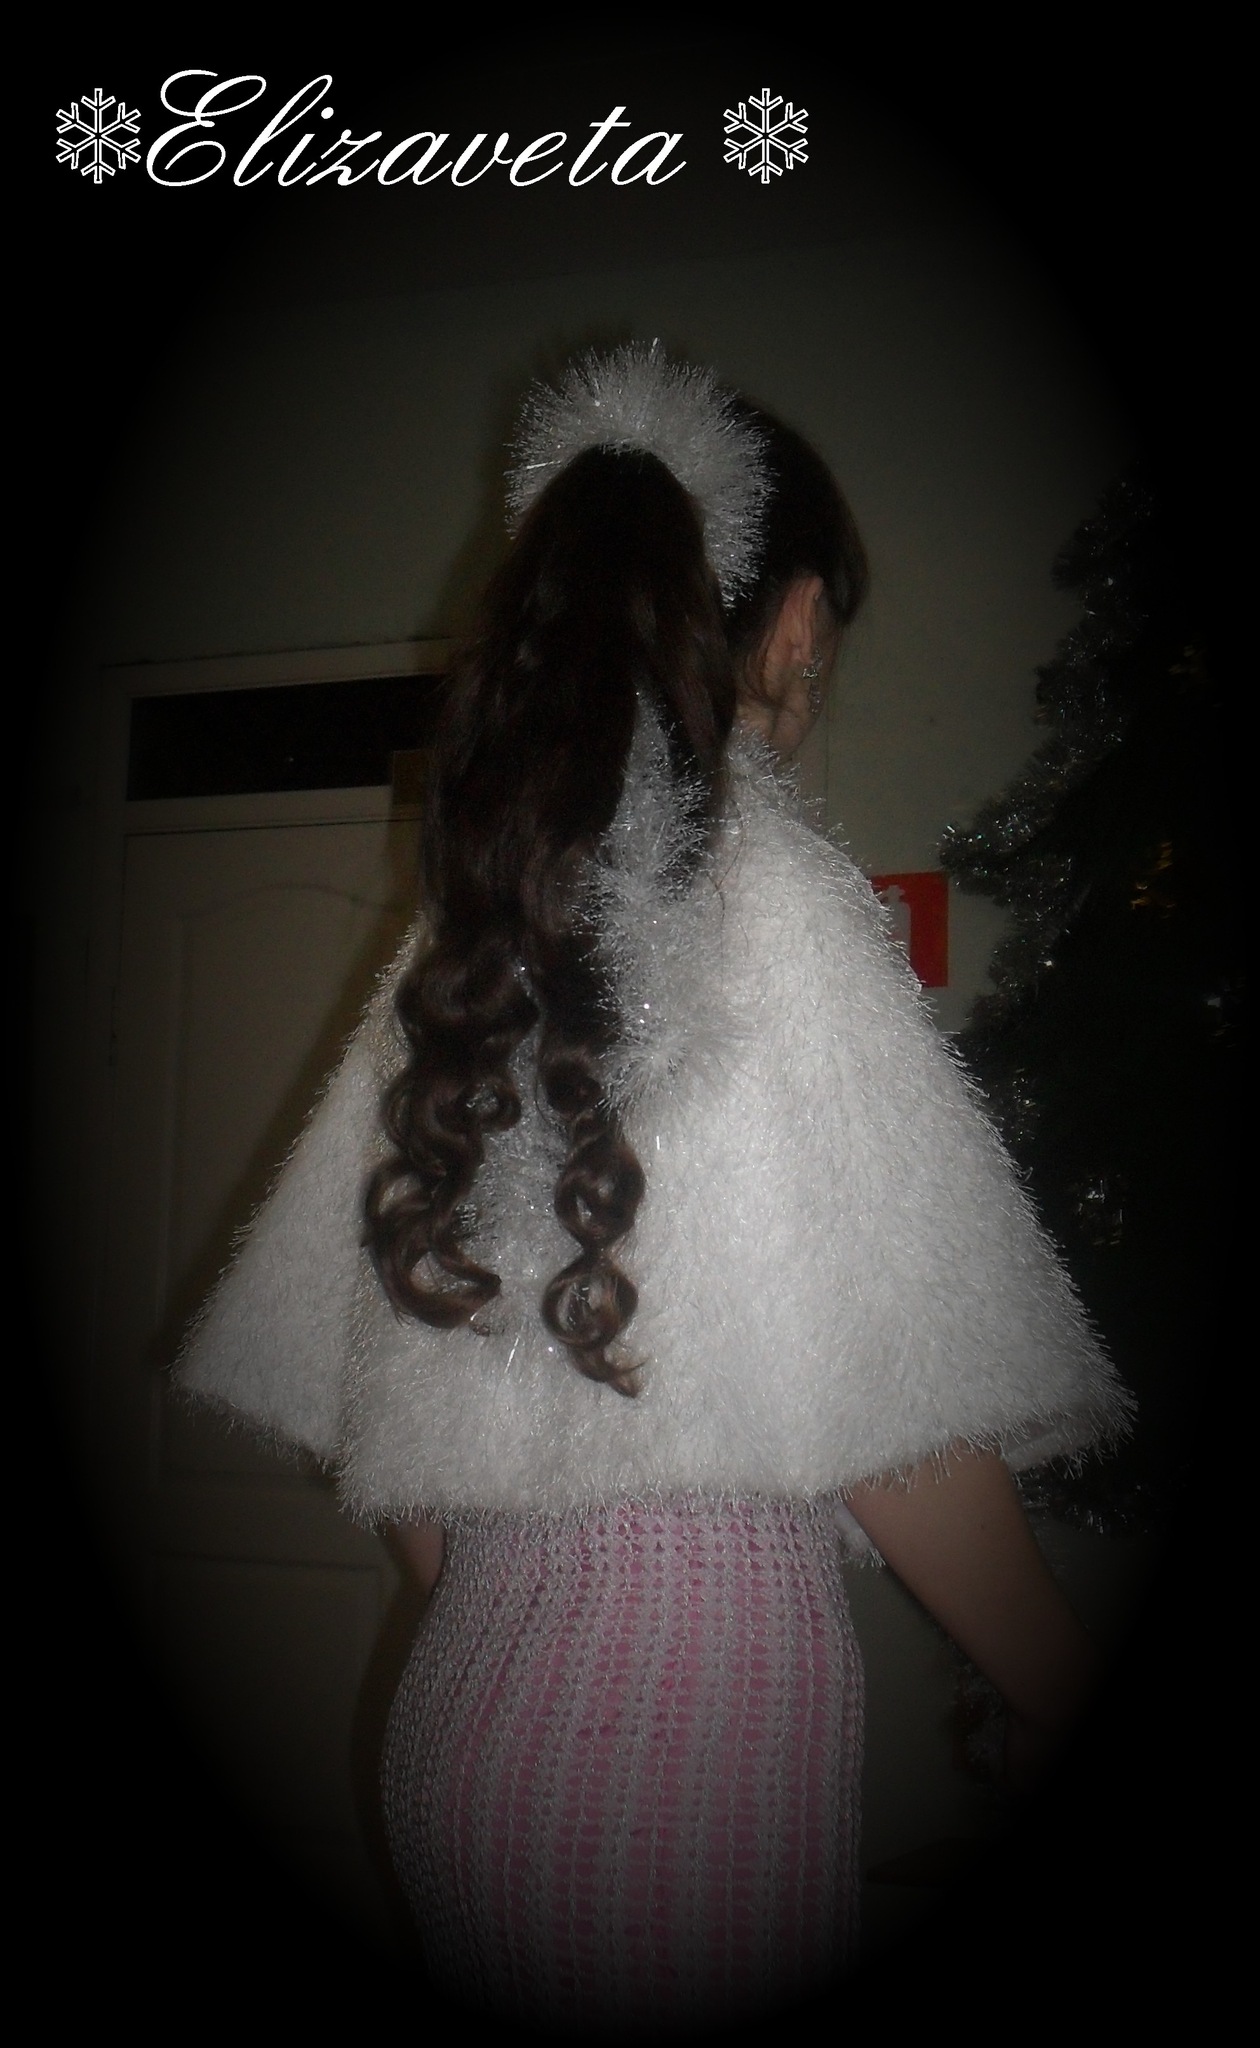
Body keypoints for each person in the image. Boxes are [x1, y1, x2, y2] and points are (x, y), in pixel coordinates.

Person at [177, 344, 1131, 2031]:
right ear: (796, 625)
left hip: (460, 1724)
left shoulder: (469, 944)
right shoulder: (774, 905)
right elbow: (899, 1404)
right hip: (693, 1738)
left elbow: (391, 1423)